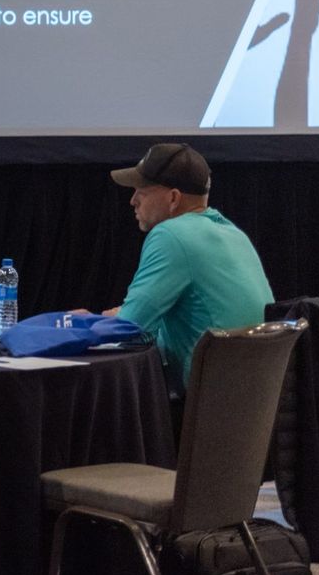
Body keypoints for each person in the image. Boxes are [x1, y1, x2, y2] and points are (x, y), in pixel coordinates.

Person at [105, 142, 275, 393]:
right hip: (253, 409)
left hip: (199, 409)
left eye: (142, 189)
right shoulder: (233, 234)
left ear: (173, 198)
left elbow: (129, 331)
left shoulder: (170, 235)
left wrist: (94, 323)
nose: (133, 200)